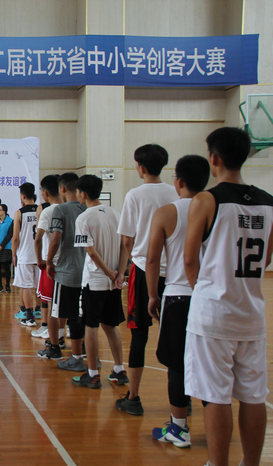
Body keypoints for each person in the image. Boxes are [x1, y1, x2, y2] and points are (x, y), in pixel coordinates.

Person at [184, 127, 273, 466]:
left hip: (213, 313)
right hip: (252, 313)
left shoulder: (206, 200)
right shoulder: (269, 202)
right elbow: (266, 259)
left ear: (214, 158)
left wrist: (202, 289)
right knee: (254, 396)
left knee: (215, 395)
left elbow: (189, 260)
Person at [147, 155, 210, 448]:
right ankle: (215, 430)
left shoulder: (166, 212)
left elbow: (152, 259)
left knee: (177, 366)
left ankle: (179, 429)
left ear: (179, 181)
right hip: (210, 297)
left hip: (177, 296)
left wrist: (152, 295)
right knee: (209, 366)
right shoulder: (216, 209)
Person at [115, 144, 178, 415]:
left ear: (140, 167)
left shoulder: (135, 195)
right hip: (174, 273)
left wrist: (133, 259)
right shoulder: (176, 192)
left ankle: (134, 397)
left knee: (138, 334)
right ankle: (183, 398)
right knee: (176, 335)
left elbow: (127, 239)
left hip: (143, 271)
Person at [71, 174, 127, 388]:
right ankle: (119, 370)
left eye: (78, 192)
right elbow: (125, 247)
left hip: (94, 281)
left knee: (91, 327)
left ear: (83, 194)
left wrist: (109, 273)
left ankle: (93, 374)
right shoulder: (116, 214)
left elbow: (91, 252)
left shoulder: (84, 218)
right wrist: (119, 273)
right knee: (110, 326)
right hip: (113, 282)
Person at [38, 173, 86, 368]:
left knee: (56, 310)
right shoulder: (87, 208)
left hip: (65, 269)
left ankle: (56, 347)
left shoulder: (60, 209)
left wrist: (48, 261)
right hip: (87, 270)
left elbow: (55, 239)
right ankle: (85, 351)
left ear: (62, 188)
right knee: (81, 313)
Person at [32, 175, 63, 340]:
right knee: (66, 303)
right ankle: (62, 334)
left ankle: (54, 338)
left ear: (45, 193)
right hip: (70, 264)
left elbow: (38, 239)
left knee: (51, 302)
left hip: (51, 263)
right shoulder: (73, 209)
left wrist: (40, 260)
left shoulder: (48, 211)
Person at [12, 183, 39, 326]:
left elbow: (15, 238)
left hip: (25, 254)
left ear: (22, 196)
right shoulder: (41, 210)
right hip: (40, 254)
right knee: (39, 286)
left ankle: (29, 316)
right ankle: (40, 311)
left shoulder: (20, 213)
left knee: (26, 286)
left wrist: (14, 254)